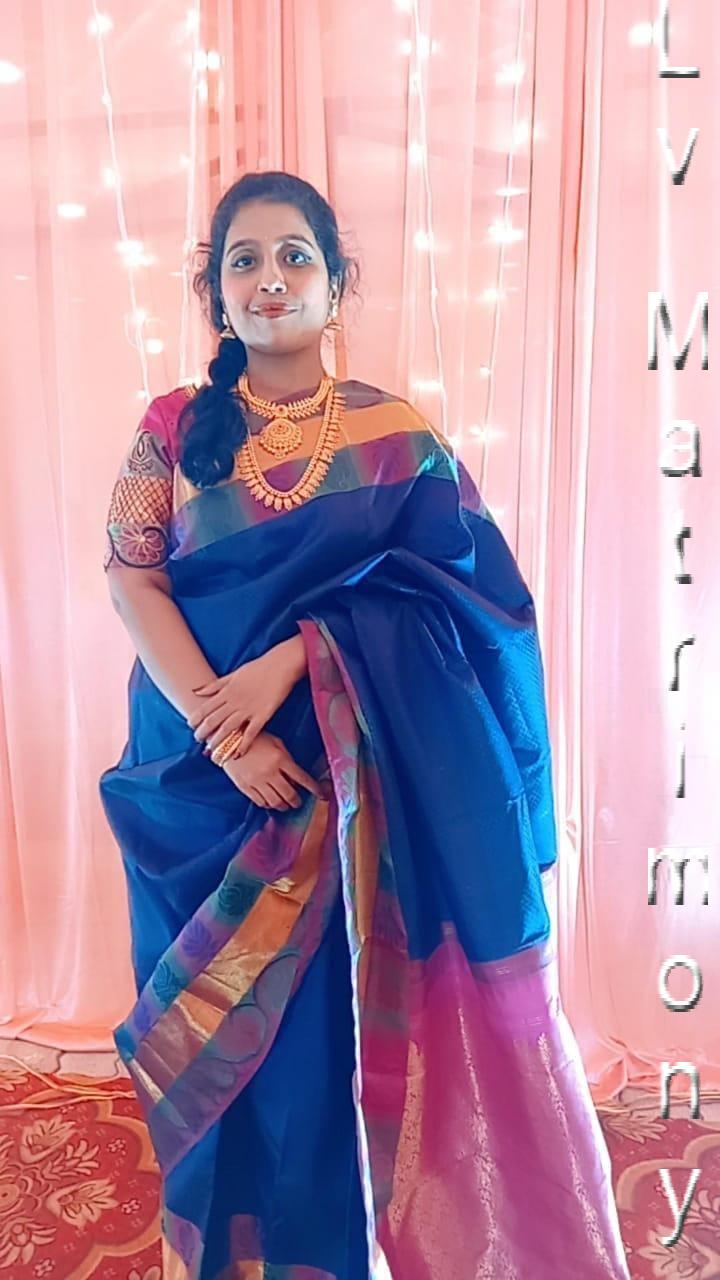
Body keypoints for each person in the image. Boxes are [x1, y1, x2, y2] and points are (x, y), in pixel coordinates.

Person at [100, 170, 631, 1280]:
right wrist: (224, 731)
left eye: (295, 256)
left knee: (317, 1050)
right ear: (215, 292)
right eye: (245, 260)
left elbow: (469, 604)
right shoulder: (171, 429)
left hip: (350, 793)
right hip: (202, 784)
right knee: (219, 1049)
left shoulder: (396, 437)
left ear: (336, 283)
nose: (271, 278)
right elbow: (133, 577)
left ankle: (322, 1256)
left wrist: (300, 654)